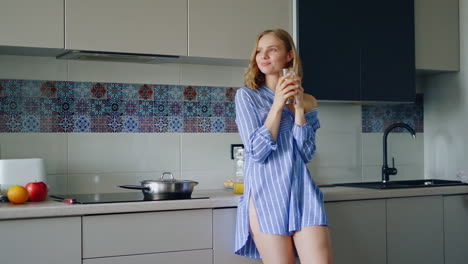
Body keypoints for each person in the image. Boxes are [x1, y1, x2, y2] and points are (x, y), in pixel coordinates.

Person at [234, 29, 333, 264]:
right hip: (266, 195)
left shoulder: (308, 101)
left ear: (289, 56)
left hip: (302, 192)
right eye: (259, 51)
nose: (263, 55)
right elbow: (257, 152)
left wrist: (298, 109)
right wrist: (278, 104)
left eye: (272, 49)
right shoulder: (247, 96)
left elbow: (306, 153)